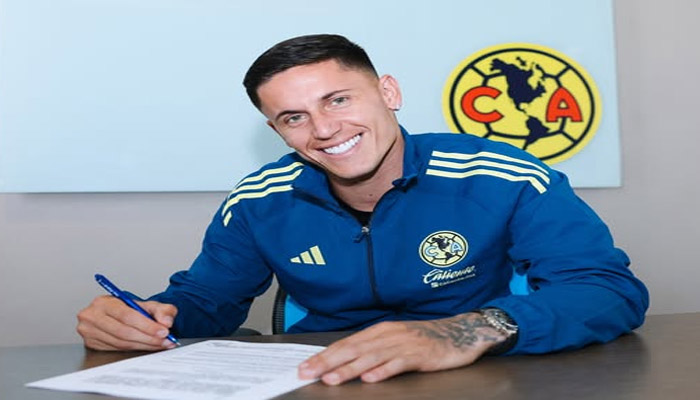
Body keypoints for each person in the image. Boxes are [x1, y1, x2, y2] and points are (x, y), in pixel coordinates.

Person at [77, 34, 649, 385]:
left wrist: (460, 333)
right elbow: (208, 301)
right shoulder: (259, 199)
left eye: (338, 100)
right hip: (326, 380)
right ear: (277, 131)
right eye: (294, 117)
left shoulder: (501, 174)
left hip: (479, 374)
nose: (324, 129)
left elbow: (606, 290)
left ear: (388, 93)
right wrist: (145, 318)